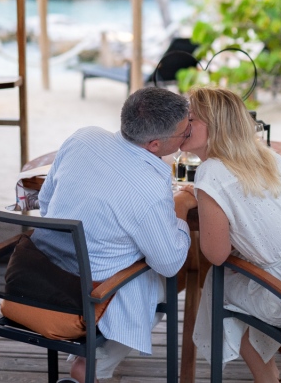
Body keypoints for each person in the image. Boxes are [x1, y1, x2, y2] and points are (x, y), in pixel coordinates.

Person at [31, 86, 198, 382]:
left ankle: (93, 360)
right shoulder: (147, 186)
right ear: (155, 145)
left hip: (40, 274)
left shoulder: (84, 136)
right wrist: (181, 206)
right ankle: (93, 365)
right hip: (92, 292)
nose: (189, 134)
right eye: (185, 132)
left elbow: (46, 203)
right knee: (165, 282)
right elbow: (170, 263)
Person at [182, 86, 281, 383]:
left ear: (215, 126)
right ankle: (266, 374)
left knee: (217, 284)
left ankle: (266, 376)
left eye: (191, 118)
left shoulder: (210, 173)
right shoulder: (269, 156)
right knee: (240, 283)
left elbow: (216, 254)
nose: (182, 124)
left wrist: (198, 199)